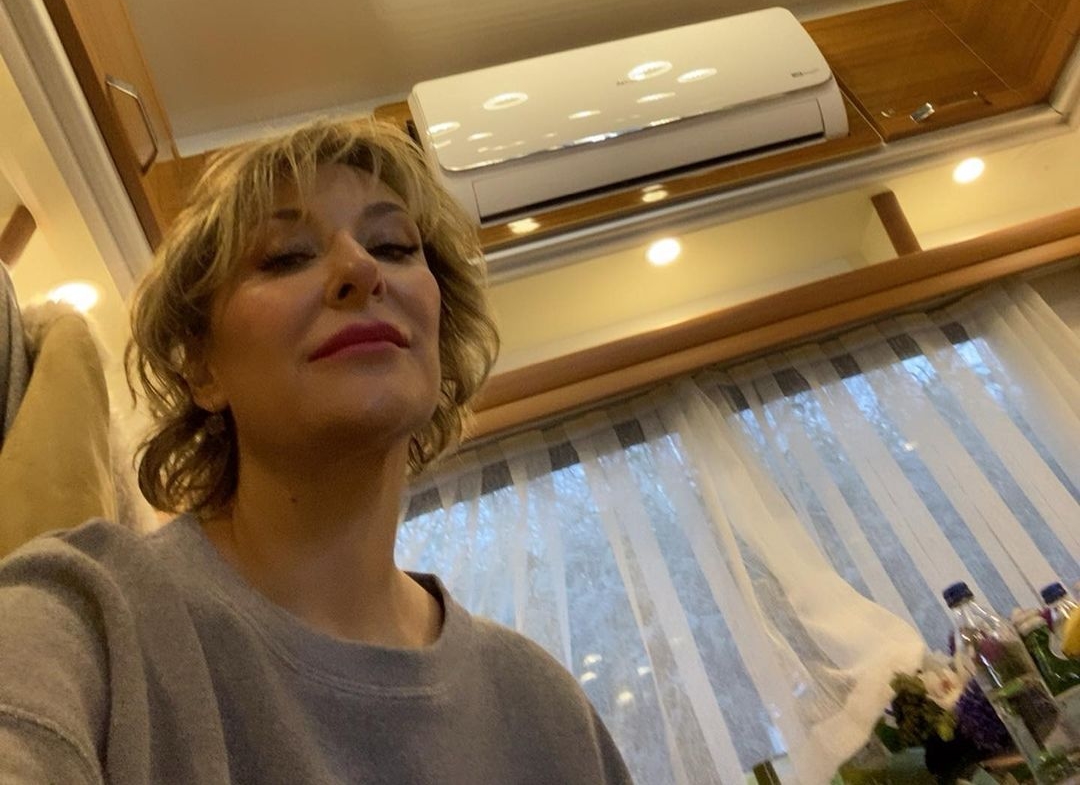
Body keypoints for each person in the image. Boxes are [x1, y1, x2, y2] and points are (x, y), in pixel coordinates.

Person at [0, 118, 635, 784]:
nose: (361, 269)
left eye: (393, 246)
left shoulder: (544, 709)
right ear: (202, 368)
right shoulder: (87, 620)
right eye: (285, 257)